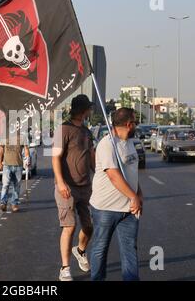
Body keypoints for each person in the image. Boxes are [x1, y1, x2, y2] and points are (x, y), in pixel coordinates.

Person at [89, 108, 143, 281]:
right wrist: (133, 196)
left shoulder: (128, 142)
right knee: (100, 248)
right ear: (128, 124)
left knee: (130, 250)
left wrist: (138, 193)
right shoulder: (107, 144)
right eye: (135, 122)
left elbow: (131, 170)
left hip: (129, 209)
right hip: (106, 208)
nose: (136, 125)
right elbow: (113, 175)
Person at [52, 94, 95, 281]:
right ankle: (65, 267)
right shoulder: (64, 129)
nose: (91, 111)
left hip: (85, 186)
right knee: (69, 226)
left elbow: (91, 157)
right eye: (89, 108)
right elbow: (55, 157)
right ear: (83, 110)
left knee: (89, 226)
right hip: (67, 187)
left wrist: (101, 175)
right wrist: (61, 183)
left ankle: (80, 250)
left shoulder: (87, 131)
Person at [0, 131, 30, 213]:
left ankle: (14, 203)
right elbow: (1, 149)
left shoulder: (22, 137)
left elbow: (26, 149)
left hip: (18, 165)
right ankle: (3, 203)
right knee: (5, 185)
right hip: (6, 165)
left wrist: (27, 159)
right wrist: (0, 162)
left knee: (17, 185)